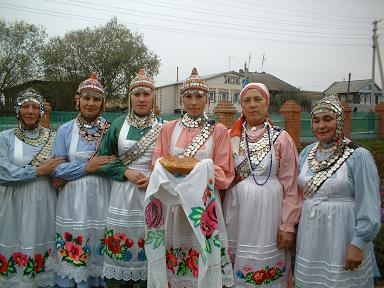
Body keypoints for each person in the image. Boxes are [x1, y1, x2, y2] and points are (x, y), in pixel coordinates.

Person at [145, 67, 235, 288]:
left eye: (199, 96)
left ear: (207, 100)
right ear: (182, 99)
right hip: (174, 208)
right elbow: (157, 164)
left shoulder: (219, 130)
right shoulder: (168, 128)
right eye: (188, 96)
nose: (193, 101)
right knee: (175, 268)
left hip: (203, 207)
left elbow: (224, 173)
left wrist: (198, 169)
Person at [294, 95, 381, 288]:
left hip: (343, 235)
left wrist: (358, 243)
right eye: (316, 121)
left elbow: (369, 203)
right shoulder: (307, 154)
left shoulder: (358, 156)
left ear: (340, 121)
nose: (321, 126)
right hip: (310, 235)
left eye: (327, 119)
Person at [223, 83, 301, 287]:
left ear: (267, 103)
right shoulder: (230, 137)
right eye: (247, 101)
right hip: (237, 211)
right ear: (241, 105)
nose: (252, 105)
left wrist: (287, 224)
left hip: (270, 212)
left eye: (258, 99)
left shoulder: (281, 138)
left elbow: (291, 185)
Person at [97, 69, 164, 287]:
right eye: (137, 94)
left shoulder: (163, 126)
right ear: (130, 97)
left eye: (146, 94)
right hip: (122, 193)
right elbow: (102, 159)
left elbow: (170, 161)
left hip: (152, 193)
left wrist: (154, 176)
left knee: (151, 242)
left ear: (153, 97)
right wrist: (125, 171)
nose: (142, 99)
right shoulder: (117, 124)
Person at [51, 73, 114, 288]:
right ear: (78, 100)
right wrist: (87, 167)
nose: (91, 103)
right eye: (86, 98)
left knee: (99, 240)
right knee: (74, 243)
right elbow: (57, 169)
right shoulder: (65, 130)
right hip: (72, 200)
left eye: (96, 99)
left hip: (103, 196)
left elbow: (115, 163)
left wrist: (100, 166)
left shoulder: (110, 129)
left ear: (102, 103)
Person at [0, 88, 64, 287]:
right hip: (13, 201)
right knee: (15, 236)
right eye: (25, 107)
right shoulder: (5, 137)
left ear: (41, 112)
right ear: (18, 111)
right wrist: (37, 171)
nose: (30, 111)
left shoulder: (54, 137)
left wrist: (59, 176)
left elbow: (61, 164)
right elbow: (3, 172)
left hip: (45, 200)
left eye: (35, 107)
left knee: (42, 237)